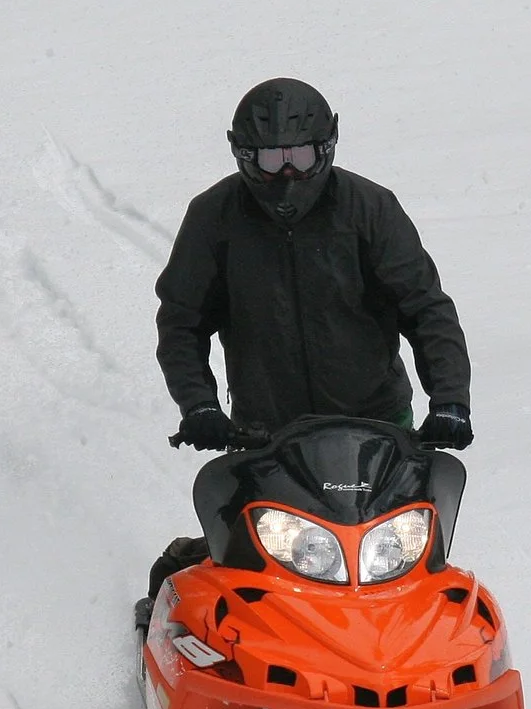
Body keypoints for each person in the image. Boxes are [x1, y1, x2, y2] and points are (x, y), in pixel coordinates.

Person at [155, 78, 473, 454]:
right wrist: (199, 404)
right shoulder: (213, 217)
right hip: (264, 438)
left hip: (377, 428)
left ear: (325, 148)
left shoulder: (370, 209)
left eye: (300, 157)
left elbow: (426, 309)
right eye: (272, 160)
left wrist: (450, 401)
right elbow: (181, 322)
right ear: (244, 155)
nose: (287, 173)